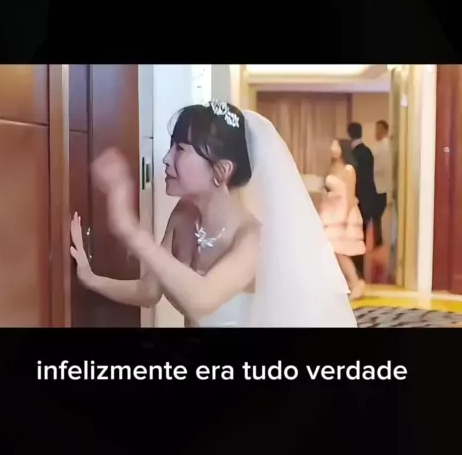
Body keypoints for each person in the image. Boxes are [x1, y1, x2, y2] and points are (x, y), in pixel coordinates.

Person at [70, 101, 357, 328]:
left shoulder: (251, 236)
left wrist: (129, 228)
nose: (166, 158)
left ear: (221, 171)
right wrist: (90, 278)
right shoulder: (183, 214)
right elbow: (150, 290)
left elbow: (201, 301)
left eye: (180, 149)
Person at [319, 139, 366, 301]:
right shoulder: (331, 169)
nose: (332, 148)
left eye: (336, 145)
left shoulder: (348, 170)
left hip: (343, 214)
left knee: (339, 251)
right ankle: (348, 283)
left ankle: (355, 282)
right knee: (331, 250)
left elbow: (350, 195)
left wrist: (345, 217)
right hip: (330, 213)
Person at [347, 121, 378, 277]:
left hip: (355, 199)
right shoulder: (368, 152)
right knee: (361, 236)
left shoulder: (352, 154)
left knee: (351, 236)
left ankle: (353, 270)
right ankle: (360, 270)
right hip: (367, 199)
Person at [372, 119, 392, 248]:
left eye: (378, 129)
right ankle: (378, 240)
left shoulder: (384, 147)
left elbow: (378, 167)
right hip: (380, 186)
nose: (376, 132)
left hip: (380, 186)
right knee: (377, 216)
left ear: (385, 130)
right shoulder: (380, 146)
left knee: (377, 215)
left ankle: (378, 241)